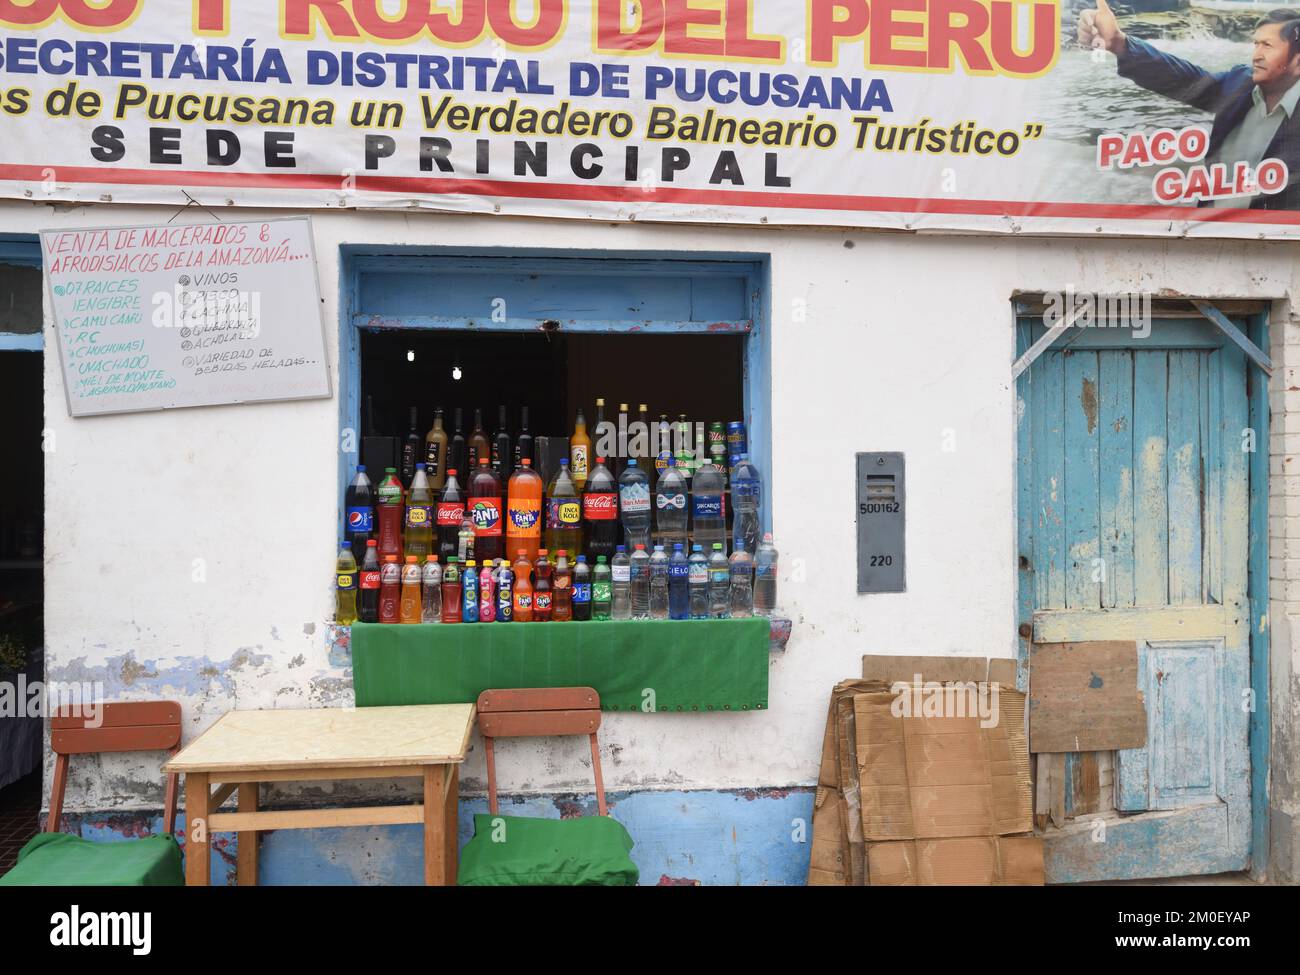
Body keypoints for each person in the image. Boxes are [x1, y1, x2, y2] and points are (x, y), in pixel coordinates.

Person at [1079, 2, 1300, 209]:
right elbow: (1184, 79)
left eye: (1268, 46)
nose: (1256, 55)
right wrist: (1119, 43)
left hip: (1273, 242)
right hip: (1211, 232)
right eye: (1256, 44)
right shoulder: (1240, 83)